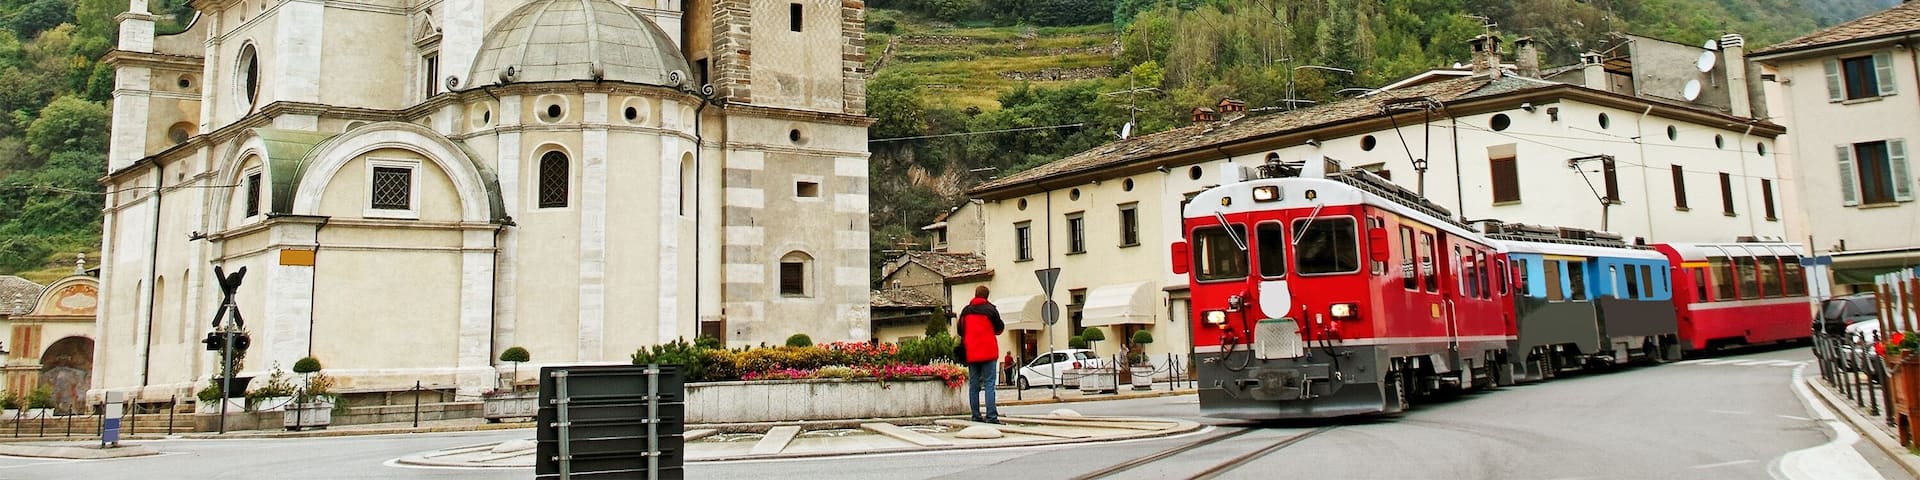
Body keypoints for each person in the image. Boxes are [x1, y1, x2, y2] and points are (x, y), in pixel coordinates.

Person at [956, 285, 1005, 423]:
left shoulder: (966, 311)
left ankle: (976, 416)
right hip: (989, 352)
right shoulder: (991, 310)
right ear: (987, 296)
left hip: (972, 352)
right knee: (989, 384)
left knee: (974, 385)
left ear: (975, 294)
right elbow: (999, 329)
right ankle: (991, 416)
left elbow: (960, 330)